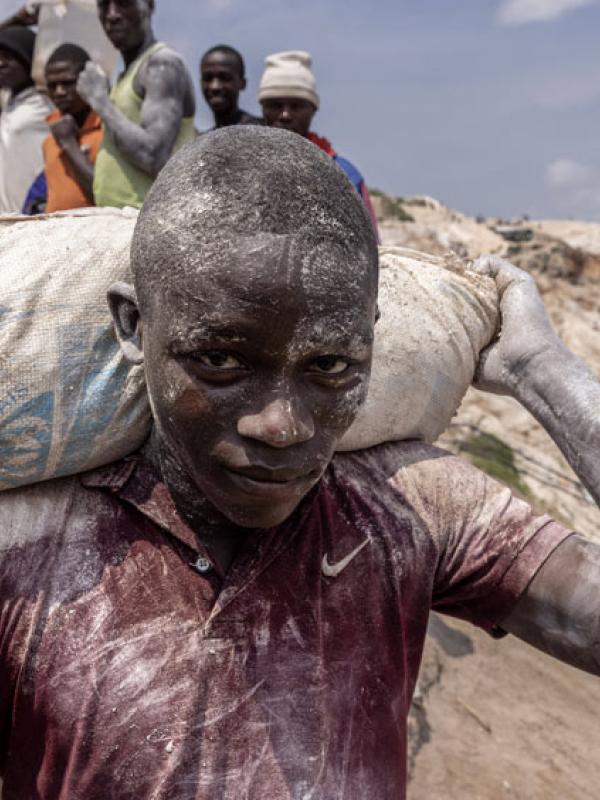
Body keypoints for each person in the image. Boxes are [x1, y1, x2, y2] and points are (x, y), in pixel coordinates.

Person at [0, 127, 599, 799]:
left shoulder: (415, 507)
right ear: (136, 326)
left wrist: (543, 372)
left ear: (370, 339)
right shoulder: (28, 549)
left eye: (331, 366)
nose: (283, 426)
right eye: (220, 360)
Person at [76, 0, 196, 209]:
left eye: (124, 3)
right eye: (104, 5)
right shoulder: (128, 73)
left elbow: (153, 155)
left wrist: (99, 100)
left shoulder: (162, 65)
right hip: (124, 223)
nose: (112, 15)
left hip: (147, 223)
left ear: (149, 6)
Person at [259, 50, 379, 237]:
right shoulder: (240, 168)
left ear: (313, 109)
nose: (285, 115)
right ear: (262, 109)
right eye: (275, 105)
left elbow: (372, 247)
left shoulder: (345, 175)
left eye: (296, 106)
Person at [24, 43, 103, 213]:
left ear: (86, 80)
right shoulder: (50, 141)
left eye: (68, 83)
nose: (59, 92)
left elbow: (104, 196)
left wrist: (69, 144)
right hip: (57, 235)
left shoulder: (107, 132)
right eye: (52, 85)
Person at [0, 25, 51, 213]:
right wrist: (17, 19)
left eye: (8, 57)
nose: (1, 63)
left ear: (28, 61)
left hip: (31, 212)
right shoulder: (10, 103)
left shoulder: (43, 105)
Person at [200, 44, 262, 130]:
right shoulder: (202, 140)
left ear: (242, 83)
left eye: (225, 78)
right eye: (208, 78)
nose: (215, 87)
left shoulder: (259, 131)